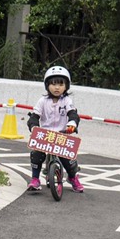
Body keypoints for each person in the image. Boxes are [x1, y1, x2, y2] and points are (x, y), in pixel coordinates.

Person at [26, 65, 83, 193]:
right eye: (53, 84)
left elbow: (73, 114)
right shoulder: (42, 101)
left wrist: (72, 123)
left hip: (62, 134)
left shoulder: (67, 101)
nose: (57, 87)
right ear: (47, 85)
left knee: (68, 158)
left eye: (61, 84)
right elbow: (34, 116)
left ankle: (73, 177)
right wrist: (34, 126)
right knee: (36, 154)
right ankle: (35, 179)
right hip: (45, 134)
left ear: (66, 86)